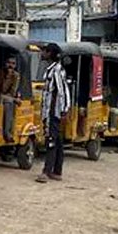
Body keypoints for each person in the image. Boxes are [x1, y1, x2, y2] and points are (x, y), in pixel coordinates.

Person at [37, 43, 71, 183]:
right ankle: (57, 171)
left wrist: (63, 110)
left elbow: (62, 91)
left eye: (44, 51)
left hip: (53, 111)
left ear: (50, 53)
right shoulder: (51, 70)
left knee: (51, 140)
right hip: (50, 110)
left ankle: (46, 171)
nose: (42, 53)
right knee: (57, 141)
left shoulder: (56, 70)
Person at [0, 56, 21, 141]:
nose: (10, 65)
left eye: (13, 64)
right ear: (4, 63)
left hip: (6, 97)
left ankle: (9, 133)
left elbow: (12, 92)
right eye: (9, 63)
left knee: (11, 102)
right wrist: (8, 77)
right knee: (10, 101)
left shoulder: (16, 75)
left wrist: (11, 76)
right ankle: (7, 133)